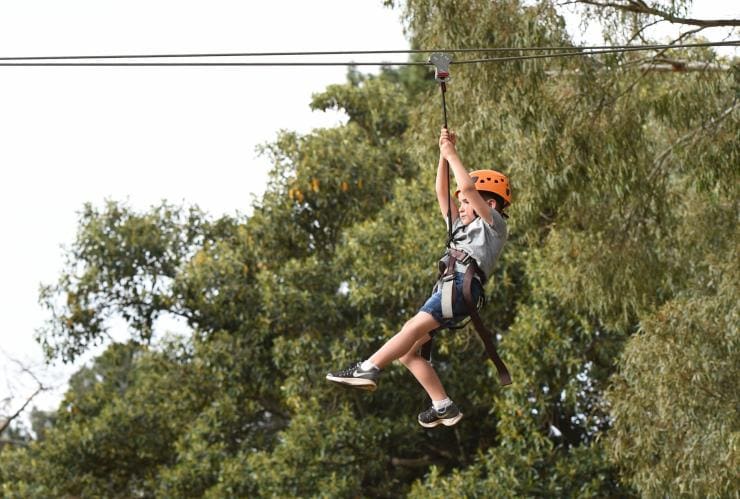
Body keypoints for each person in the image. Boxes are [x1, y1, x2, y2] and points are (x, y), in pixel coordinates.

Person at [326, 127, 511, 428]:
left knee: (412, 327)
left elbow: (469, 188)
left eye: (465, 203)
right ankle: (443, 405)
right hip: (450, 289)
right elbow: (442, 192)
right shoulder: (460, 229)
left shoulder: (494, 226)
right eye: (462, 203)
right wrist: (442, 155)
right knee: (409, 353)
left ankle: (369, 367)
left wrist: (453, 154)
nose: (461, 207)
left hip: (461, 288)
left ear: (489, 205)